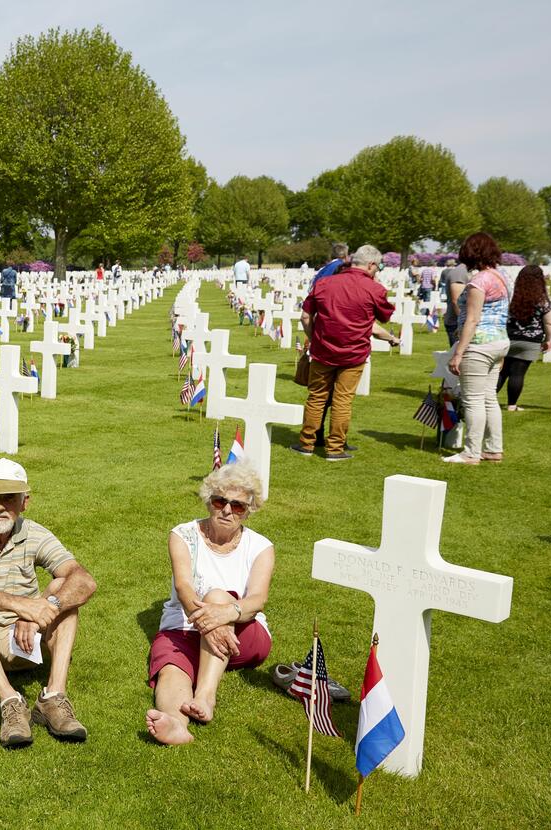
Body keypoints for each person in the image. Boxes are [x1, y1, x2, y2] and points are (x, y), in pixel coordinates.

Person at [0, 459, 98, 748]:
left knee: (65, 589)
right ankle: (10, 701)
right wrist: (22, 606)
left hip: (21, 642)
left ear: (25, 502)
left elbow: (85, 581)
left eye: (9, 498)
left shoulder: (34, 533)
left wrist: (41, 610)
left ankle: (53, 698)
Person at [145, 464, 274, 746]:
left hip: (243, 635)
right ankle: (176, 724)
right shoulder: (183, 535)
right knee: (171, 669)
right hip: (185, 626)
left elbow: (257, 600)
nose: (227, 510)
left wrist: (225, 613)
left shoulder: (261, 547)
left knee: (217, 596)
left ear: (249, 510)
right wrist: (208, 622)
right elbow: (184, 587)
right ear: (209, 501)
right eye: (220, 501)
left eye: (238, 506)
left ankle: (205, 695)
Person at [292, 245, 396, 460]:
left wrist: (314, 339)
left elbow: (305, 317)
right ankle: (335, 448)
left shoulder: (324, 283)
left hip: (323, 351)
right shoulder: (374, 288)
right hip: (354, 353)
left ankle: (306, 444)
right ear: (372, 265)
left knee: (316, 397)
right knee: (343, 400)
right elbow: (385, 316)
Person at [444, 232, 512, 464]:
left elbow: (472, 319)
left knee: (472, 399)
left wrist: (459, 352)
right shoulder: (500, 276)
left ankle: (471, 452)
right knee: (489, 397)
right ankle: (494, 448)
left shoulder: (478, 282)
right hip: (499, 342)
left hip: (479, 344)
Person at [495, 265, 551, 412]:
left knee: (502, 371)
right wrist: (548, 339)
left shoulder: (511, 297)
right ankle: (512, 405)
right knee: (518, 373)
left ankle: (487, 399)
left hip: (509, 338)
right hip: (530, 341)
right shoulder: (542, 300)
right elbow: (549, 322)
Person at [439, 261, 471, 346]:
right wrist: (463, 324)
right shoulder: (459, 273)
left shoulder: (464, 272)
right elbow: (456, 301)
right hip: (456, 323)